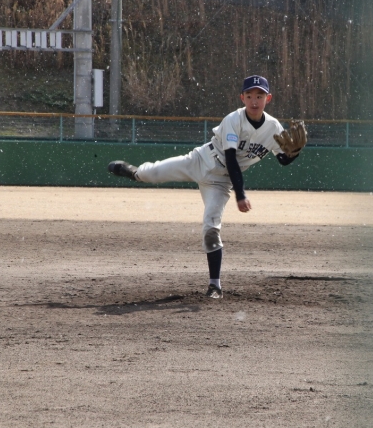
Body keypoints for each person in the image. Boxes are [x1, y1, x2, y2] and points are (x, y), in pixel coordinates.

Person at [108, 75, 307, 299]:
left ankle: (215, 286)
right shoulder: (234, 119)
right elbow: (231, 158)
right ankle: (133, 172)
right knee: (150, 174)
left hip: (220, 182)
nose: (254, 101)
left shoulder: (273, 127)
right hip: (200, 160)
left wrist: (295, 153)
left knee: (211, 228)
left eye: (259, 96)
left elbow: (282, 159)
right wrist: (240, 194)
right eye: (250, 95)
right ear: (242, 97)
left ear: (268, 99)